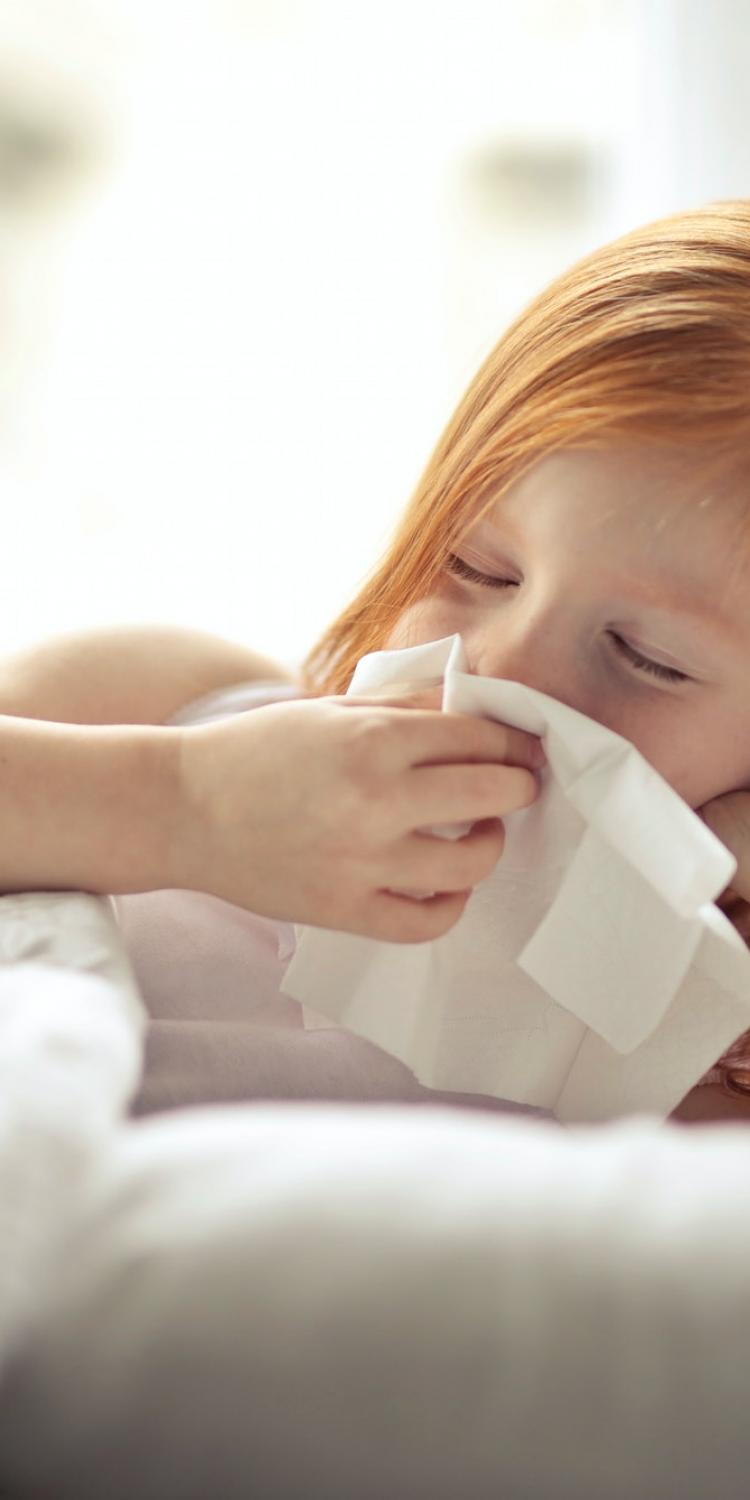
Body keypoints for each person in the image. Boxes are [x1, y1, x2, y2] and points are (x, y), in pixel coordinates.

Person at [2, 198, 750, 1122]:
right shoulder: (158, 702)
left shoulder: (703, 1069)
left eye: (647, 658)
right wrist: (183, 802)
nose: (501, 669)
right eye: (473, 565)